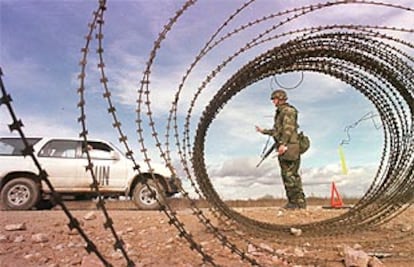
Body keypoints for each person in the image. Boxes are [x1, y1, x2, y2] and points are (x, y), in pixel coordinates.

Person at [256, 89, 306, 209]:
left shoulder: (288, 111)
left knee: (289, 175)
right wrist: (264, 131)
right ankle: (298, 203)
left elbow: (288, 129)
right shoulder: (281, 112)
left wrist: (283, 144)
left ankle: (295, 203)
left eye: (274, 99)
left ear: (280, 99)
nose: (273, 101)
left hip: (289, 147)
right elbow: (278, 131)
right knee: (290, 175)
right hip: (288, 146)